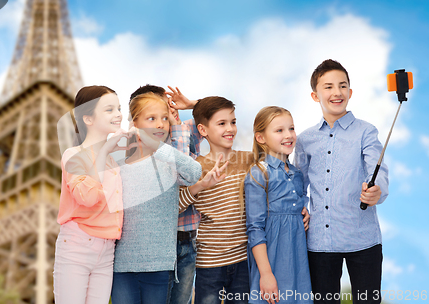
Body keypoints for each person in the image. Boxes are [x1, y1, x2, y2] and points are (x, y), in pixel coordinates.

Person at [294, 59, 389, 304]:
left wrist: (376, 191)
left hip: (363, 239)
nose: (336, 92)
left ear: (350, 92)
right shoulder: (305, 139)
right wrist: (299, 207)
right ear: (315, 95)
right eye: (328, 87)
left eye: (342, 86)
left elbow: (378, 171)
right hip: (320, 243)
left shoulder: (366, 131)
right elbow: (298, 184)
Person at [111, 92, 202, 304]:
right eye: (151, 119)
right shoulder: (119, 160)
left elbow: (194, 173)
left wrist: (157, 147)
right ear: (135, 123)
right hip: (122, 265)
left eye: (164, 118)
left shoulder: (169, 158)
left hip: (160, 265)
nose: (160, 124)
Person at [53, 86, 134, 304]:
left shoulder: (112, 161)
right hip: (78, 245)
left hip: (107, 250)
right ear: (88, 119)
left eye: (118, 108)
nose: (118, 114)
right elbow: (87, 198)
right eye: (109, 109)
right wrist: (104, 152)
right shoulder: (74, 155)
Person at [178, 96, 253, 304]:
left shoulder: (249, 160)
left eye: (233, 122)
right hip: (209, 264)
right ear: (203, 130)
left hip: (244, 261)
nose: (230, 128)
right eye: (222, 124)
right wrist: (201, 185)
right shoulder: (195, 168)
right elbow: (174, 206)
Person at [243, 106, 312, 304]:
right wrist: (266, 274)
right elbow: (255, 228)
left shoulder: (297, 174)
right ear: (261, 138)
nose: (288, 135)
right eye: (279, 130)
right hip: (272, 259)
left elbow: (297, 204)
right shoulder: (258, 174)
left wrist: (304, 210)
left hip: (298, 258)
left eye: (291, 128)